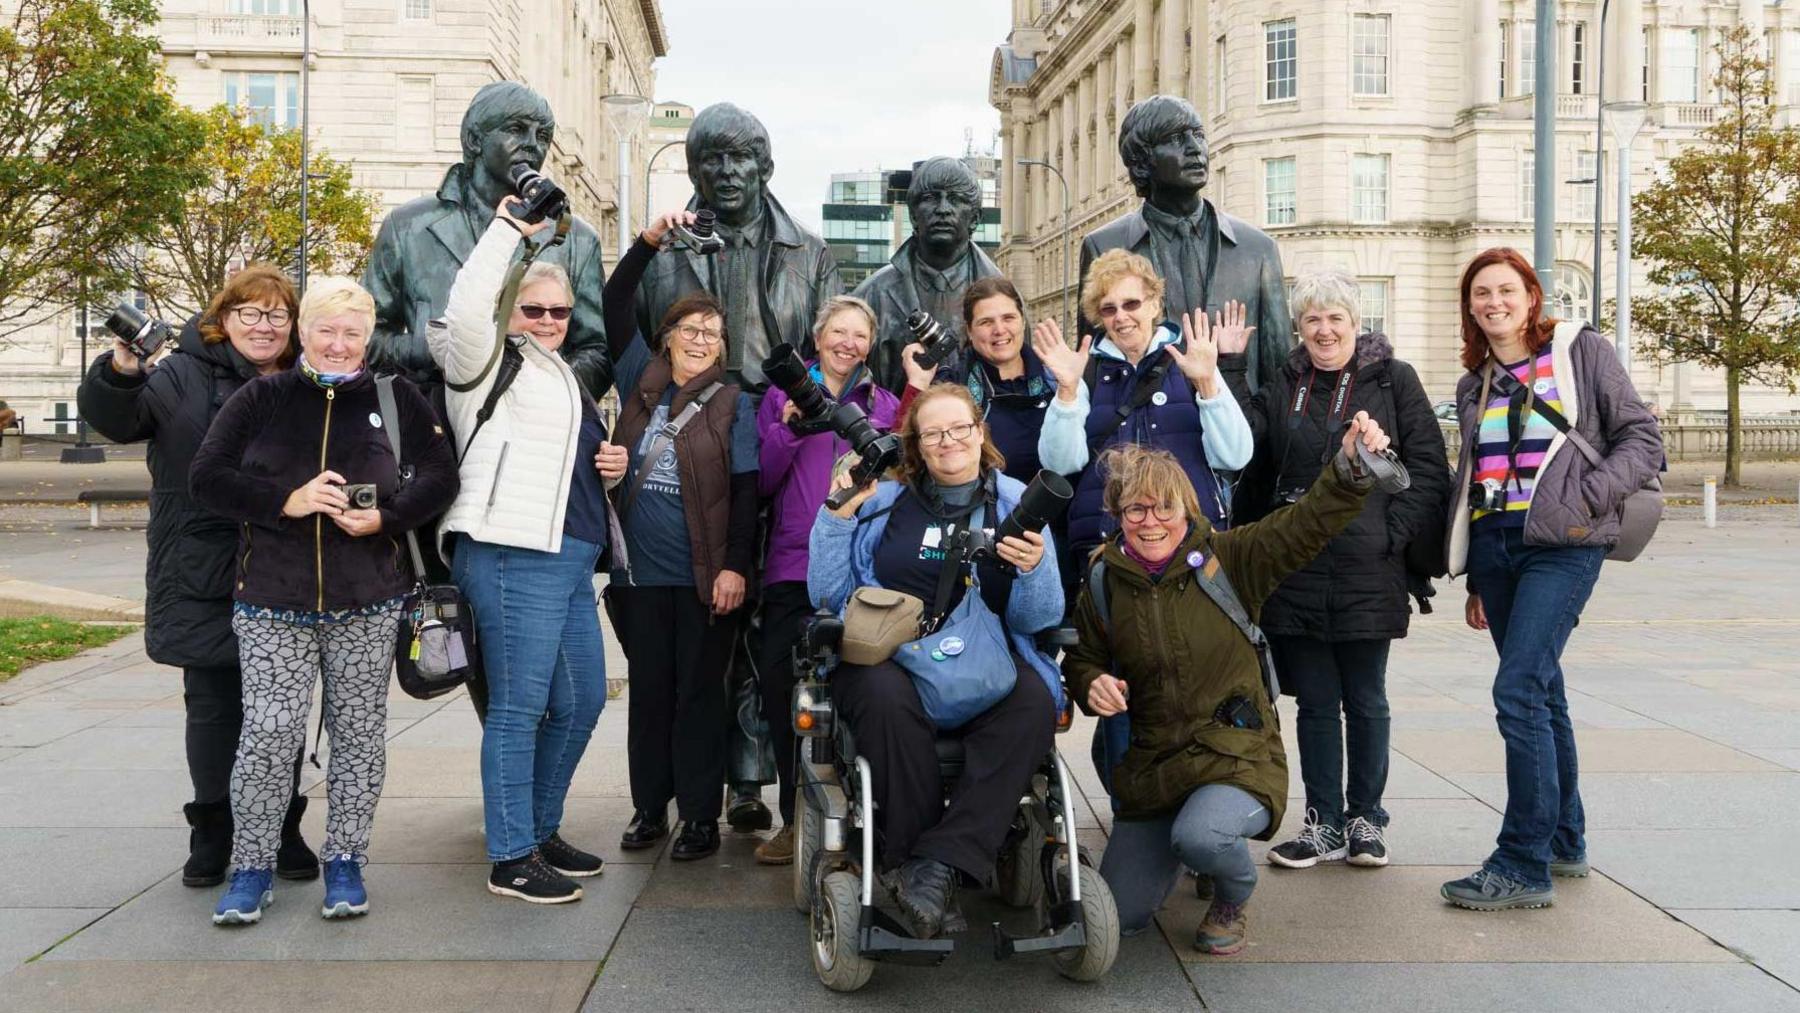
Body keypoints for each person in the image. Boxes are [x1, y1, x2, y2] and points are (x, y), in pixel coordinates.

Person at [189, 277, 458, 926]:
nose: (339, 344)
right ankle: (251, 866)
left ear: (367, 339)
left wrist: (386, 519)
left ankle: (346, 860)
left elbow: (442, 474)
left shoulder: (397, 399)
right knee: (269, 733)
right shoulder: (263, 397)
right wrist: (286, 500)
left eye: (352, 333)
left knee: (359, 735)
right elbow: (207, 477)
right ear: (303, 331)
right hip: (272, 603)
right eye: (326, 329)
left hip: (366, 600)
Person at [1063, 422, 1388, 956]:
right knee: (1121, 917)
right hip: (1157, 764)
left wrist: (1351, 469)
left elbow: (1306, 523)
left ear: (1186, 510)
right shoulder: (1103, 580)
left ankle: (1232, 894)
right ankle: (1188, 851)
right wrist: (1090, 681)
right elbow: (1083, 657)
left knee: (1202, 837)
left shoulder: (1230, 559)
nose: (1151, 522)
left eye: (1164, 507)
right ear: (1119, 517)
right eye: (1136, 510)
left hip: (1236, 754)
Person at [76, 267, 320, 889]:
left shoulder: (306, 381)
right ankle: (212, 830)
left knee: (281, 708)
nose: (264, 327)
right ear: (224, 318)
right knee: (212, 704)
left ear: (292, 326)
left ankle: (280, 827)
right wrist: (121, 370)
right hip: (201, 561)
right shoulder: (181, 373)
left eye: (277, 316)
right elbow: (119, 419)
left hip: (285, 559)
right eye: (250, 314)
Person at [1439, 248, 1663, 911]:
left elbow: (1643, 440)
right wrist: (1477, 574)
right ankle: (1565, 838)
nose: (1494, 302)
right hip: (1499, 547)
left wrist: (1589, 499)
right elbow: (1477, 480)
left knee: (1518, 690)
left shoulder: (1579, 350)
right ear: (1470, 307)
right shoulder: (1472, 381)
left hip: (1563, 543)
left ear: (1531, 296)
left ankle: (1522, 860)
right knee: (1544, 690)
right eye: (1481, 293)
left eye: (1506, 290)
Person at [808, 384, 1065, 940]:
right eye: (933, 433)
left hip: (989, 654)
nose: (949, 441)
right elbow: (828, 597)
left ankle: (933, 869)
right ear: (917, 447)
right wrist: (835, 517)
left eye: (960, 429)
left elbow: (1038, 618)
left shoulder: (1019, 500)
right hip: (891, 654)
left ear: (980, 432)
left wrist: (1034, 569)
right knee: (880, 696)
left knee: (1034, 702)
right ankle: (929, 863)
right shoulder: (882, 501)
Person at [431, 199, 625, 904]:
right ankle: (510, 854)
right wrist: (510, 229)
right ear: (511, 307)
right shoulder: (481, 360)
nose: (547, 322)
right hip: (510, 550)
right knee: (519, 708)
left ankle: (539, 830)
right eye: (534, 309)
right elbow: (469, 302)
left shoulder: (562, 374)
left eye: (559, 313)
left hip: (570, 557)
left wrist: (611, 466)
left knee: (578, 704)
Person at [1236, 272, 1450, 870]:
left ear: (1357, 325)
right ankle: (1323, 820)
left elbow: (1430, 468)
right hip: (1296, 564)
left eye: (1336, 319)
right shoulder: (1285, 381)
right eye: (1312, 320)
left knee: (1366, 697)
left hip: (1367, 566)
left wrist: (1391, 533)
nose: (1324, 330)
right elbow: (1252, 460)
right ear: (1300, 329)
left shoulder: (1394, 380)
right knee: (1314, 703)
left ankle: (1366, 820)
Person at [603, 213, 761, 862]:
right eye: (689, 330)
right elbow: (614, 302)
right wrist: (647, 243)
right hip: (640, 575)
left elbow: (747, 491)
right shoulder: (640, 378)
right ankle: (650, 806)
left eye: (711, 334)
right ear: (666, 338)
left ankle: (699, 816)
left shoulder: (733, 400)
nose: (699, 341)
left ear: (721, 347)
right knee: (650, 693)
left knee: (698, 698)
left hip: (704, 580)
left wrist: (734, 569)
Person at [753, 294, 900, 865]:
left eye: (859, 335)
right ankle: (796, 822)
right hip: (793, 567)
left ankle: (867, 816)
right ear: (818, 340)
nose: (848, 344)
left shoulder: (884, 404)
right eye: (838, 332)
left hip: (864, 570)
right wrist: (788, 430)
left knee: (862, 695)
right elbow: (762, 482)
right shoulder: (779, 396)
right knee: (784, 698)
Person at [363, 80, 612, 400]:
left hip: (531, 433)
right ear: (474, 139)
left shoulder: (575, 239)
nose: (532, 144)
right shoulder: (408, 226)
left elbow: (597, 351)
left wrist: (538, 397)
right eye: (517, 129)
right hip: (432, 425)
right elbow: (365, 335)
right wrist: (445, 346)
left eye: (542, 136)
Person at [1036, 248, 1255, 563]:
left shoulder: (1190, 362)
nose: (1121, 317)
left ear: (1153, 304)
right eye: (1109, 309)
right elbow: (1060, 464)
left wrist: (1207, 383)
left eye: (1131, 304)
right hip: (1106, 542)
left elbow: (1235, 455)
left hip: (1186, 537)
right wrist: (1068, 390)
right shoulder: (1086, 372)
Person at [1078, 94, 1292, 409]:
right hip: (1146, 441)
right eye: (1177, 139)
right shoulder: (1103, 246)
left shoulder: (1257, 249)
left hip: (1239, 442)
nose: (1195, 148)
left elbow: (1278, 369)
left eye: (1198, 135)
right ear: (1142, 160)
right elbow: (1095, 366)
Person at [854, 155, 1004, 392]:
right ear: (913, 215)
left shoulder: (1005, 299)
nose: (943, 209)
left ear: (975, 219)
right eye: (930, 198)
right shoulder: (870, 295)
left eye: (955, 199)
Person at [896, 276, 1060, 483]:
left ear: (1023, 322)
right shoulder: (949, 386)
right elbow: (904, 458)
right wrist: (918, 384)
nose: (999, 330)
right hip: (980, 511)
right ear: (969, 331)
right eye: (986, 322)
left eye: (1008, 318)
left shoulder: (1055, 380)